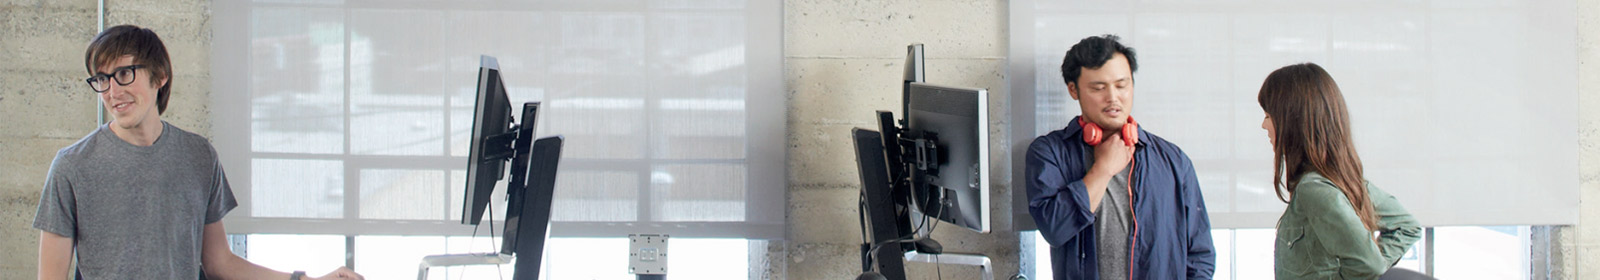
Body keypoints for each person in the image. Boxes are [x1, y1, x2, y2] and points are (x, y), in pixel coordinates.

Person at [33, 25, 364, 280]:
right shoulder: (72, 165)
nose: (112, 91)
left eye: (123, 74)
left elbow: (220, 262)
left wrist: (303, 278)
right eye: (102, 79)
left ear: (159, 76)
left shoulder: (198, 156)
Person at [1026, 34, 1216, 280]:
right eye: (1098, 88)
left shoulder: (1173, 160)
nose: (1113, 97)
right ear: (1073, 89)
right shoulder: (1050, 152)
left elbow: (1200, 255)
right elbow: (1055, 228)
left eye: (1121, 85)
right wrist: (1102, 169)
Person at [1256, 63, 1422, 279]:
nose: (1263, 125)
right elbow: (1405, 226)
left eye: (1268, 116)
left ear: (1292, 120)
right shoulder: (1337, 181)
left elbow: (1371, 266)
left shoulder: (1314, 190)